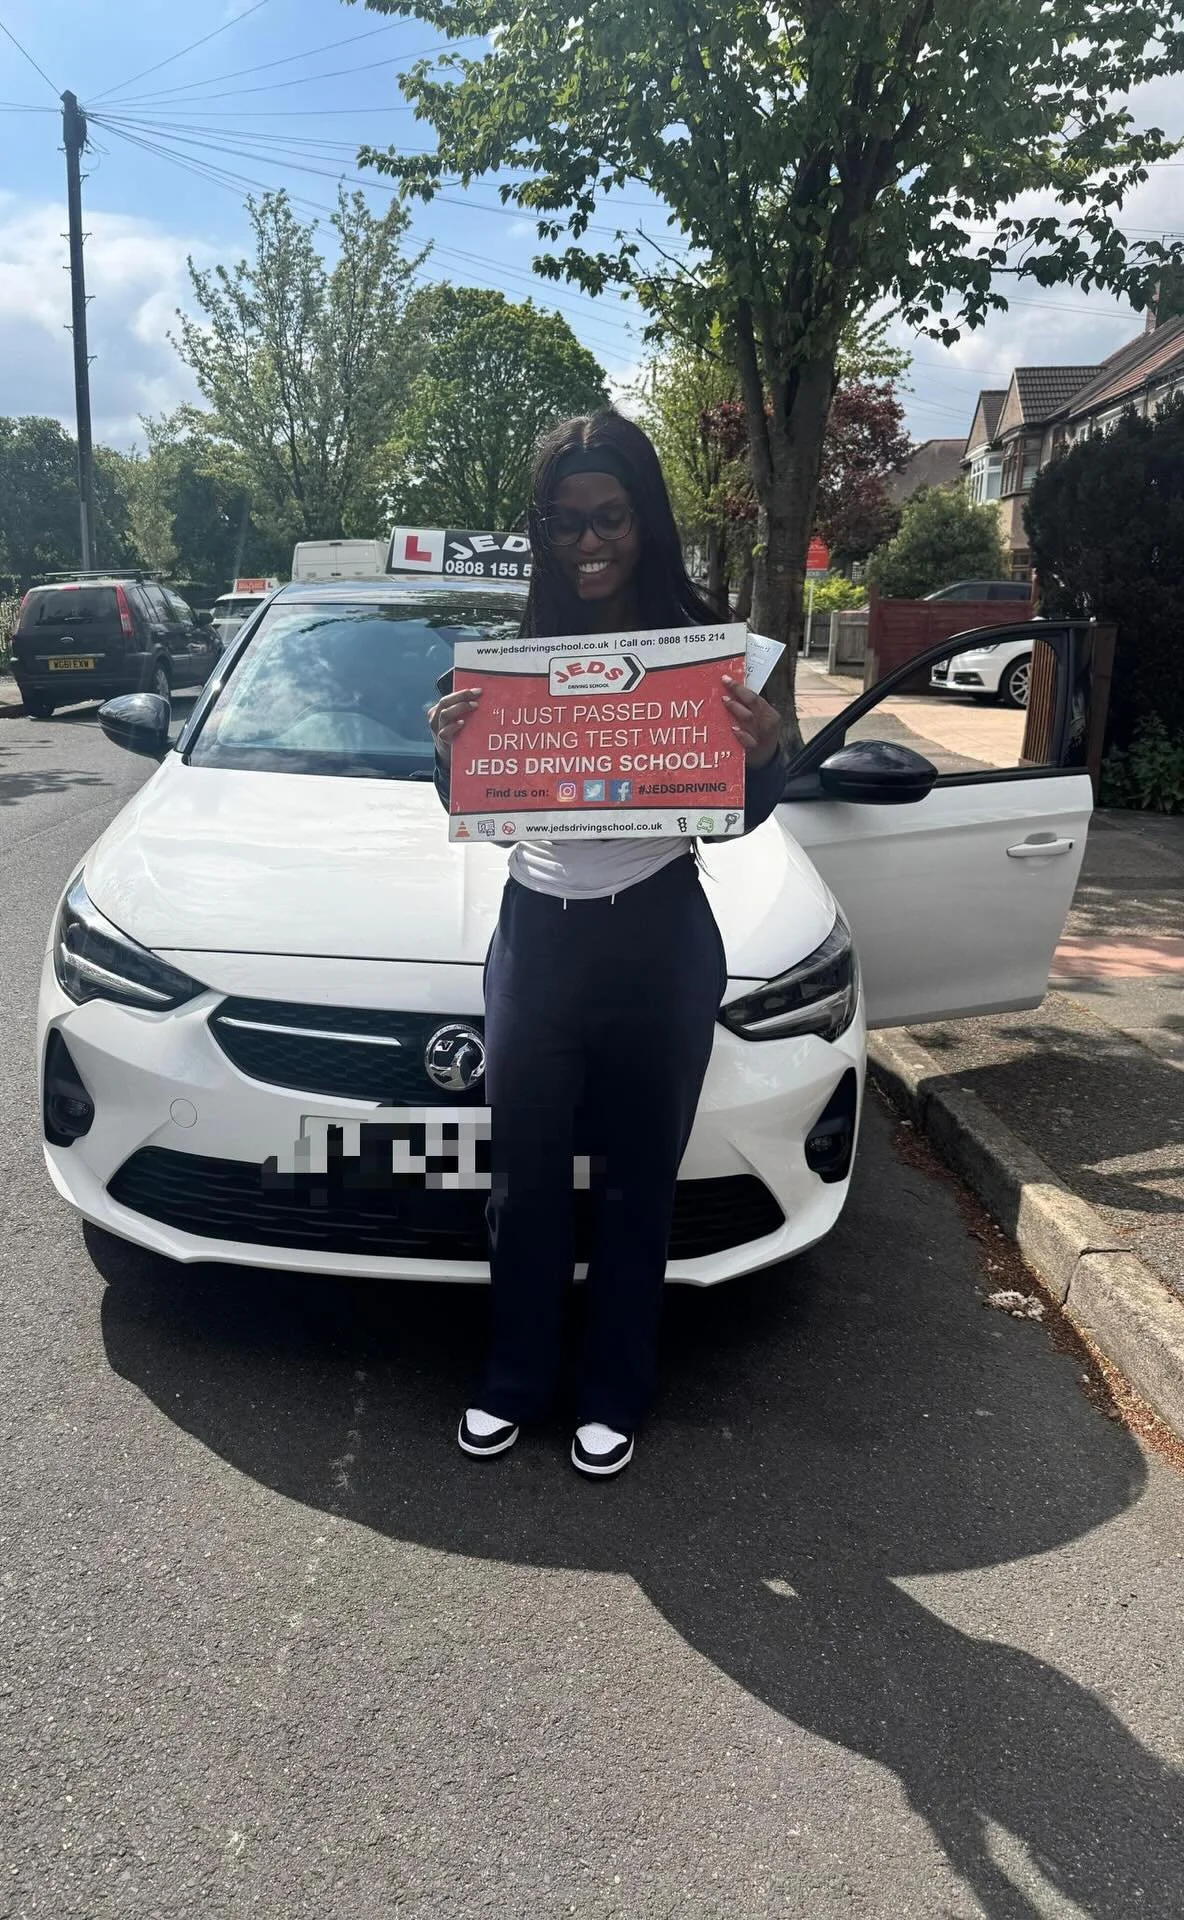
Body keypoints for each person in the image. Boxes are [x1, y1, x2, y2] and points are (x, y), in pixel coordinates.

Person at [428, 408, 785, 1479]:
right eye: (567, 521)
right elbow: (475, 798)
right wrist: (444, 754)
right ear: (541, 529)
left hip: (659, 933)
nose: (589, 541)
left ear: (646, 520)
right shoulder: (512, 651)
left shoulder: (707, 649)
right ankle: (515, 1380)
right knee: (525, 1183)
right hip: (538, 935)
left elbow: (749, 809)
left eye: (611, 518)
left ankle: (615, 1391)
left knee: (638, 1181)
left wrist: (764, 756)